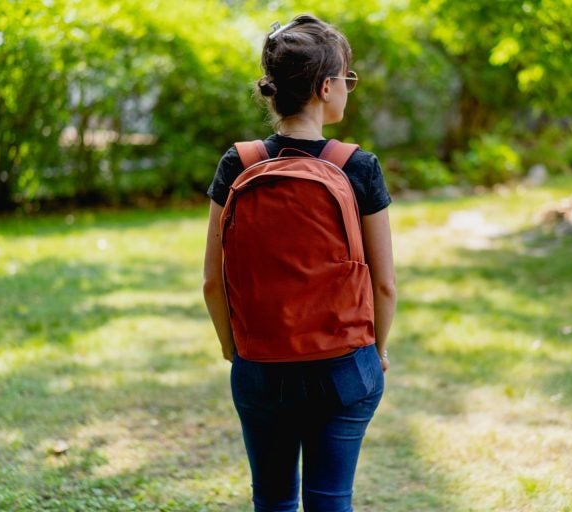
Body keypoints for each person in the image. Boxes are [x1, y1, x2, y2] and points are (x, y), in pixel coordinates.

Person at [202, 14, 396, 512]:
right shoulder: (357, 166)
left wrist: (234, 350)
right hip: (344, 368)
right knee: (331, 501)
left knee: (272, 501)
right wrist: (377, 352)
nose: (348, 88)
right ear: (326, 87)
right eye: (347, 78)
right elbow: (385, 285)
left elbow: (211, 283)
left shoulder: (239, 163)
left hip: (260, 366)